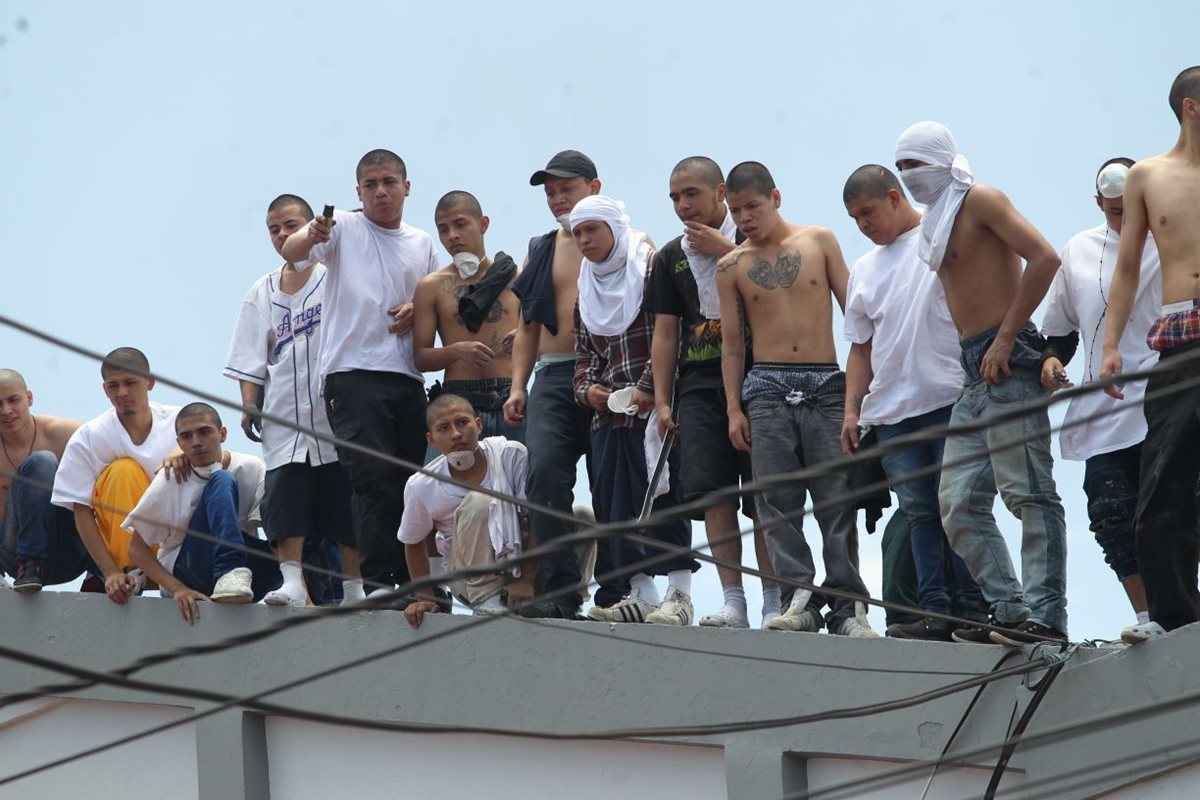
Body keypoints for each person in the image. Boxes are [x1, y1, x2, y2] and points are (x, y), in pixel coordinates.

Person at [894, 121, 1067, 645]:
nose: (908, 176)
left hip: (1008, 360)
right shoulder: (935, 222)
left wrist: (1006, 338)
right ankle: (1010, 611)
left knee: (1029, 494)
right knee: (958, 505)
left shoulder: (981, 200)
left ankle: (1047, 619)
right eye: (900, 167)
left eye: (915, 164)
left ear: (942, 160)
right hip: (973, 373)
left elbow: (1045, 257)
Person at [715, 162, 877, 638]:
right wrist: (732, 408)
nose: (745, 217)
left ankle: (847, 609)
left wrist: (860, 394)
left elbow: (857, 317)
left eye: (753, 206)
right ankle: (797, 601)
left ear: (776, 198)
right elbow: (731, 345)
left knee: (836, 498)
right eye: (736, 210)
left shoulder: (819, 240)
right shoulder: (730, 266)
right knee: (776, 502)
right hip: (765, 388)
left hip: (826, 383)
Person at [839, 165, 988, 640]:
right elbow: (860, 347)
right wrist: (852, 410)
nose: (863, 224)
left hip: (950, 397)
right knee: (920, 513)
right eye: (854, 218)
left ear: (894, 196)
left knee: (961, 509)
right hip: (892, 412)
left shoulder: (938, 237)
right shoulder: (864, 269)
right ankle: (936, 611)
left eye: (867, 212)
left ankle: (976, 611)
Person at [281, 149, 439, 596]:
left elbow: (433, 301)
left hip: (408, 375)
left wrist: (416, 308)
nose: (380, 192)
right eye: (370, 185)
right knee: (373, 480)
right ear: (358, 191)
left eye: (389, 182)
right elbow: (293, 253)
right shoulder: (344, 227)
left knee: (412, 482)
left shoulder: (423, 242)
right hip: (351, 373)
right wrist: (312, 231)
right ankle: (379, 582)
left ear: (407, 187)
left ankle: (416, 582)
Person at [644, 156, 780, 629]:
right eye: (675, 198)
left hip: (762, 381)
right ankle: (733, 600)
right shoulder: (670, 257)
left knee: (764, 495)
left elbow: (781, 292)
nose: (683, 206)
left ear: (720, 192)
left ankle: (774, 600)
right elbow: (665, 333)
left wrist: (727, 249)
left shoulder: (756, 237)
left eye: (692, 194)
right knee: (714, 495)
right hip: (698, 388)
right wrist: (663, 399)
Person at [224, 193, 364, 608]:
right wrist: (250, 402)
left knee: (345, 500)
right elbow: (249, 357)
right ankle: (293, 583)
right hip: (285, 413)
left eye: (291, 225)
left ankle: (355, 589)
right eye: (274, 229)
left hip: (334, 411)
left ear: (310, 227)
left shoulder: (334, 274)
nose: (282, 234)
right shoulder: (261, 290)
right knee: (285, 498)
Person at [1101, 67, 1200, 644]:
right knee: (1163, 478)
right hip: (1180, 335)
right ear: (1191, 107)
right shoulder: (1148, 175)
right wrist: (1111, 344)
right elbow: (1128, 267)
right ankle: (1174, 613)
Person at [1040, 159, 1159, 633]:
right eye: (1115, 212)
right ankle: (1148, 616)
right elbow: (1059, 330)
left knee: (1177, 508)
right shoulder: (1080, 250)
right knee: (1110, 514)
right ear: (1098, 204)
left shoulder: (1172, 238)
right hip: (1103, 409)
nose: (1125, 220)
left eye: (1132, 208)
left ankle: (1182, 608)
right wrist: (1051, 360)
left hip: (1165, 397)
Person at [568, 196, 699, 625]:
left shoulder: (650, 268)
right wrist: (590, 392)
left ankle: (679, 594)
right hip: (609, 415)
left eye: (593, 229)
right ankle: (642, 593)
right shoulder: (587, 286)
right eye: (577, 232)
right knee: (614, 505)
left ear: (615, 228)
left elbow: (672, 332)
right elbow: (584, 356)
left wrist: (646, 387)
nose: (584, 240)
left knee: (665, 498)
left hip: (657, 407)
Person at [503, 150, 612, 619]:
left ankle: (617, 589)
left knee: (612, 486)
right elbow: (528, 324)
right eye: (550, 192)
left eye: (567, 188)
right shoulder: (542, 247)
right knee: (544, 475)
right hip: (552, 374)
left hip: (609, 374)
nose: (557, 199)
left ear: (594, 187)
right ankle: (562, 590)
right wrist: (517, 387)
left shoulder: (629, 241)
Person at [124, 403, 279, 624]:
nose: (196, 442)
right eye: (186, 437)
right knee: (221, 479)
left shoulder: (251, 468)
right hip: (187, 570)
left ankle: (322, 595)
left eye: (204, 432)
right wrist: (177, 589)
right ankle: (230, 570)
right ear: (179, 443)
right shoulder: (170, 478)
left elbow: (277, 534)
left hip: (245, 578)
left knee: (302, 538)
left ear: (222, 434)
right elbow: (136, 550)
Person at [51, 348, 181, 606]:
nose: (122, 392)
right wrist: (109, 571)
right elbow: (81, 510)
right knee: (123, 470)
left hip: (177, 543)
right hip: (125, 554)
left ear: (150, 382)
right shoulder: (89, 436)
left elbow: (217, 464)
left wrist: (182, 452)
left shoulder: (181, 422)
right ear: (105, 389)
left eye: (130, 383)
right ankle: (131, 572)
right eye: (114, 385)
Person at [400, 394, 537, 628]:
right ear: (431, 440)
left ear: (479, 425)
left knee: (577, 518)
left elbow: (538, 520)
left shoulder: (510, 455)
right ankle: (488, 600)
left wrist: (526, 580)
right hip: (467, 580)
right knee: (480, 501)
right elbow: (413, 542)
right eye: (444, 428)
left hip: (524, 568)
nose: (456, 434)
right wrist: (425, 598)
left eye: (462, 422)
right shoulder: (421, 484)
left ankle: (564, 599)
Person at [413, 190, 523, 443]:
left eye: (460, 224)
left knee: (520, 470)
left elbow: (543, 344)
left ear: (483, 224)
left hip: (511, 400)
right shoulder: (431, 286)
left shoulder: (517, 278)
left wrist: (525, 336)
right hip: (457, 403)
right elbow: (420, 358)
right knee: (448, 471)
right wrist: (456, 351)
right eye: (443, 230)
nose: (452, 235)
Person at [0, 369, 91, 590]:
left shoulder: (66, 434)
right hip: (15, 556)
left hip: (72, 550)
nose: (6, 411)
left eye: (13, 400)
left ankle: (99, 574)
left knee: (43, 462)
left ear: (29, 398)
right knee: (41, 462)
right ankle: (29, 565)